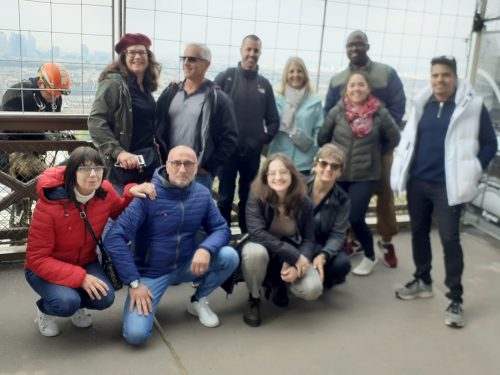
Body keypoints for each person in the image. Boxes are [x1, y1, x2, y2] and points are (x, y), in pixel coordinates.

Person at [391, 56, 497, 328]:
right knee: (418, 233)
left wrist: (474, 168)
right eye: (436, 75)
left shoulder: (472, 107)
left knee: (450, 240)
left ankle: (455, 297)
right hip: (418, 182)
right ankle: (423, 280)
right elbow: (410, 139)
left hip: (448, 186)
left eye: (446, 75)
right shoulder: (422, 104)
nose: (440, 80)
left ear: (456, 77)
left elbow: (489, 143)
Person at [103, 146, 239, 345]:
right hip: (151, 273)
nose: (182, 169)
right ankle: (143, 301)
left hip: (186, 264)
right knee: (136, 336)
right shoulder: (149, 194)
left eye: (188, 164)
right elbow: (114, 238)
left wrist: (205, 249)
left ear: (196, 167)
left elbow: (221, 229)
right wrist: (133, 282)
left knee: (229, 256)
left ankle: (198, 300)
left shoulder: (201, 194)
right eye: (176, 163)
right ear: (166, 165)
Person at [24, 146, 157, 337]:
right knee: (66, 302)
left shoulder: (105, 191)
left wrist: (130, 191)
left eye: (98, 168)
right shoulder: (50, 205)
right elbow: (36, 259)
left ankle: (77, 303)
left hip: (85, 260)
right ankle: (45, 310)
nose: (93, 174)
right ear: (72, 172)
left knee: (105, 298)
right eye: (84, 168)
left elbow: (119, 211)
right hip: (43, 269)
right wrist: (81, 278)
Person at [324, 30, 406, 267]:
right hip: (348, 153)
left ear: (367, 46)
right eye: (350, 45)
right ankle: (353, 239)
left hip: (380, 150)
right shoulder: (338, 79)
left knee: (385, 198)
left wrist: (380, 136)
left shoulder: (386, 73)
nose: (355, 48)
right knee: (348, 200)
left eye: (359, 44)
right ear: (346, 48)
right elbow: (329, 112)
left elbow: (398, 107)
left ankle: (386, 242)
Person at [242, 153, 323, 327]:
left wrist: (298, 263)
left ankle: (281, 284)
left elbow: (309, 239)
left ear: (292, 174)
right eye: (272, 173)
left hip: (288, 256)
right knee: (253, 251)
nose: (278, 177)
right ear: (265, 177)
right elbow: (256, 233)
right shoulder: (256, 196)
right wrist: (294, 256)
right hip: (265, 251)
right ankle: (254, 298)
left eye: (283, 172)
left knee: (313, 289)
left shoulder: (304, 202)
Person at [214, 35, 279, 232]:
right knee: (224, 197)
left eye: (256, 50)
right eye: (249, 49)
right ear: (241, 50)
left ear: (260, 53)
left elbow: (273, 120)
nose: (252, 54)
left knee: (249, 198)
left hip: (252, 154)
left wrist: (263, 139)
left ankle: (246, 237)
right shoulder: (226, 77)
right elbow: (210, 112)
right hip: (227, 153)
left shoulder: (264, 85)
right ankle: (222, 236)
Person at [156, 43, 238, 190]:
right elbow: (156, 122)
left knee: (196, 213)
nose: (186, 63)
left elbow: (230, 138)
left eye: (192, 59)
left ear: (206, 64)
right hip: (170, 170)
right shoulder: (171, 92)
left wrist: (209, 166)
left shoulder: (218, 98)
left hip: (199, 175)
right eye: (184, 58)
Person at [88, 33, 162, 193]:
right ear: (123, 57)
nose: (137, 57)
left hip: (146, 165)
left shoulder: (145, 87)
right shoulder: (114, 83)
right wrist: (119, 153)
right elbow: (95, 121)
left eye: (141, 52)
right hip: (122, 169)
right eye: (132, 52)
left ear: (148, 57)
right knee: (121, 214)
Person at [1, 62, 71, 228]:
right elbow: (9, 128)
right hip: (8, 151)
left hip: (31, 152)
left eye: (59, 93)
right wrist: (42, 135)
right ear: (40, 83)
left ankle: (21, 227)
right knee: (48, 179)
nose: (55, 97)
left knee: (27, 189)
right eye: (52, 93)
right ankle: (53, 221)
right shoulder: (18, 94)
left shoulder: (55, 98)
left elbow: (53, 124)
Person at [268, 56, 323, 176]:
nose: (296, 75)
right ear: (285, 75)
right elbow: (266, 125)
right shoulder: (276, 100)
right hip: (278, 160)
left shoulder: (315, 102)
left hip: (304, 163)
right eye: (291, 71)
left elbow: (319, 132)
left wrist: (312, 149)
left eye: (299, 71)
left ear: (305, 74)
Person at [307, 144, 351, 289]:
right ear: (315, 164)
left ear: (340, 172)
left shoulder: (343, 199)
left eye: (334, 166)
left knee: (342, 264)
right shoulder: (299, 188)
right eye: (323, 163)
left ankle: (324, 279)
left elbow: (338, 235)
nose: (328, 169)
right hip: (299, 242)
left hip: (322, 244)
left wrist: (324, 255)